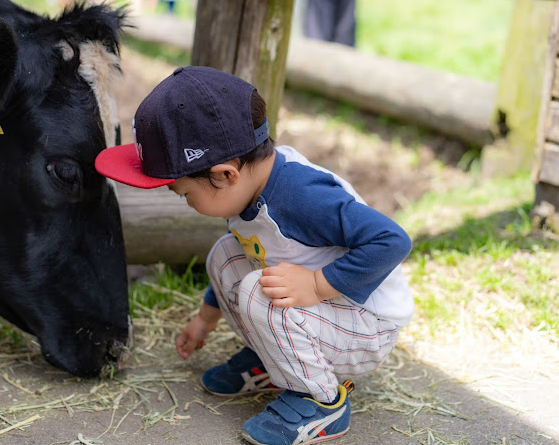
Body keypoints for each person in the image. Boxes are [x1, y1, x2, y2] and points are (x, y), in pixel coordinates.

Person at [95, 66, 414, 445]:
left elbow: (392, 241)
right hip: (323, 316)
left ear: (226, 175)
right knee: (225, 254)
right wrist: (204, 319)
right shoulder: (249, 189)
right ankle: (273, 362)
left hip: (366, 328)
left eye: (183, 194)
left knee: (259, 292)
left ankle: (323, 401)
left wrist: (316, 284)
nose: (186, 203)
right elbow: (250, 252)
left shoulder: (304, 196)